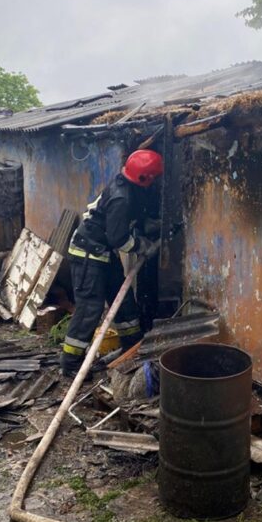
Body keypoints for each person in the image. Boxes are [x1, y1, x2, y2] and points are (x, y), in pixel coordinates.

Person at [60, 149, 164, 377]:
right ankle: (71, 364)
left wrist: (152, 227)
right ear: (146, 178)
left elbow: (130, 222)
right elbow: (118, 238)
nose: (157, 182)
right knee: (90, 308)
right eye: (155, 178)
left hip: (104, 254)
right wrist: (141, 246)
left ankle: (133, 348)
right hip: (88, 254)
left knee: (124, 302)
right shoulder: (121, 198)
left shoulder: (133, 189)